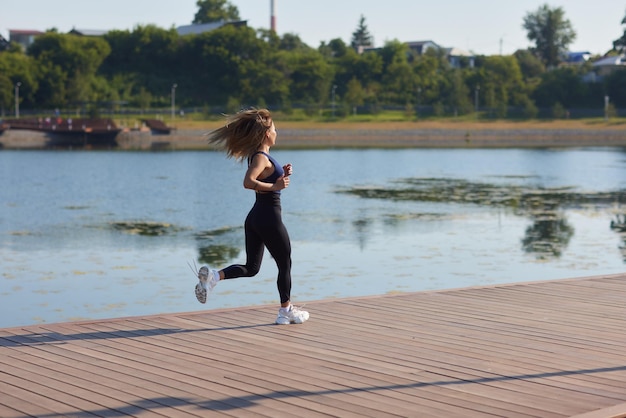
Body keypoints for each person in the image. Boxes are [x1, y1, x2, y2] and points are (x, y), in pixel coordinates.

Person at [194, 108, 309, 325]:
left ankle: (214, 277)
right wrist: (275, 184)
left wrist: (281, 174)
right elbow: (248, 182)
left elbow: (263, 178)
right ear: (267, 134)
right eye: (275, 129)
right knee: (285, 263)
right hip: (268, 218)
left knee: (252, 268)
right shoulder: (260, 157)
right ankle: (286, 311)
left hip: (256, 217)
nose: (277, 132)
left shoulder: (261, 156)